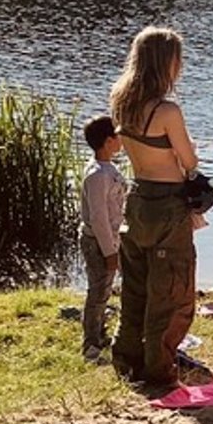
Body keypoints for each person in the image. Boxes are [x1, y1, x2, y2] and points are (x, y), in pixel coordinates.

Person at [109, 26, 204, 388]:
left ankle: (126, 361)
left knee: (137, 286)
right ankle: (160, 371)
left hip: (138, 198)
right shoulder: (167, 110)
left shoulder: (120, 98)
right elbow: (189, 159)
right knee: (171, 292)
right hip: (168, 203)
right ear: (166, 64)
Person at [77, 114, 126, 363]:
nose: (122, 140)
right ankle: (90, 344)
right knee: (97, 291)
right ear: (108, 141)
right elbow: (98, 218)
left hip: (110, 237)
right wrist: (109, 252)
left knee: (105, 289)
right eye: (118, 135)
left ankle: (100, 333)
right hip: (98, 241)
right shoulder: (97, 175)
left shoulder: (109, 168)